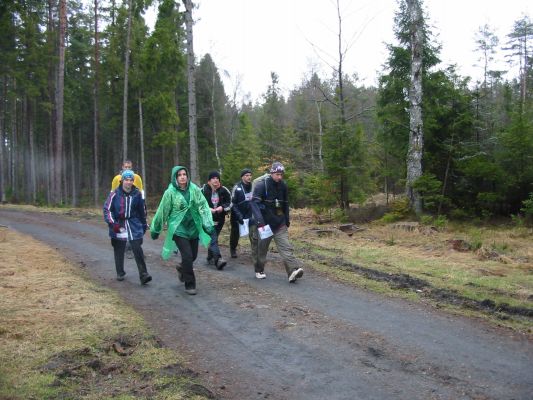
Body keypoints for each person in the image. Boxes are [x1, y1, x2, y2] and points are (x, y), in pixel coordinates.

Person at [150, 166, 215, 295]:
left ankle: (182, 267)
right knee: (187, 255)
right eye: (179, 175)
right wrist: (156, 229)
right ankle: (189, 284)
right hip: (178, 228)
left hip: (193, 227)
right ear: (175, 177)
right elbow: (162, 211)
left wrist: (208, 224)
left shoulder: (194, 189)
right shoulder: (170, 193)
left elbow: (203, 206)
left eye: (184, 174)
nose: (182, 177)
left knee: (193, 256)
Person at [250, 161, 304, 282]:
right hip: (264, 225)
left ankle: (293, 271)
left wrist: (286, 220)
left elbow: (285, 203)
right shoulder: (261, 185)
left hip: (279, 224)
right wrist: (260, 222)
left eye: (281, 174)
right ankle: (259, 270)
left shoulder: (283, 186)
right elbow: (254, 204)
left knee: (286, 248)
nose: (280, 177)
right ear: (272, 173)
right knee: (261, 251)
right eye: (277, 174)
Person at [103, 169, 152, 285]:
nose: (129, 182)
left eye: (131, 180)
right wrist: (113, 223)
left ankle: (143, 274)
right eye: (126, 180)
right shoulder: (114, 194)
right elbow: (107, 210)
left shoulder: (137, 194)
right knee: (119, 247)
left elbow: (142, 211)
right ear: (122, 181)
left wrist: (144, 224)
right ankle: (120, 272)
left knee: (137, 247)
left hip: (133, 223)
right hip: (118, 223)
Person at [201, 171, 232, 270]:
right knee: (213, 238)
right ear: (209, 181)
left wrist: (222, 208)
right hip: (206, 219)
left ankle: (210, 257)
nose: (216, 180)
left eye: (217, 178)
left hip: (219, 219)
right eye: (213, 178)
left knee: (213, 238)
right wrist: (207, 209)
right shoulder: (202, 190)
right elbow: (197, 204)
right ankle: (218, 260)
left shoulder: (224, 190)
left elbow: (230, 203)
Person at [229, 168, 253, 258]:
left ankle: (255, 251)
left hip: (249, 214)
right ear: (242, 177)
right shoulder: (237, 187)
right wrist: (238, 215)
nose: (249, 177)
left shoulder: (252, 186)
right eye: (246, 175)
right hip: (237, 214)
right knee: (235, 233)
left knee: (253, 233)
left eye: (250, 175)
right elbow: (232, 203)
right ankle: (232, 249)